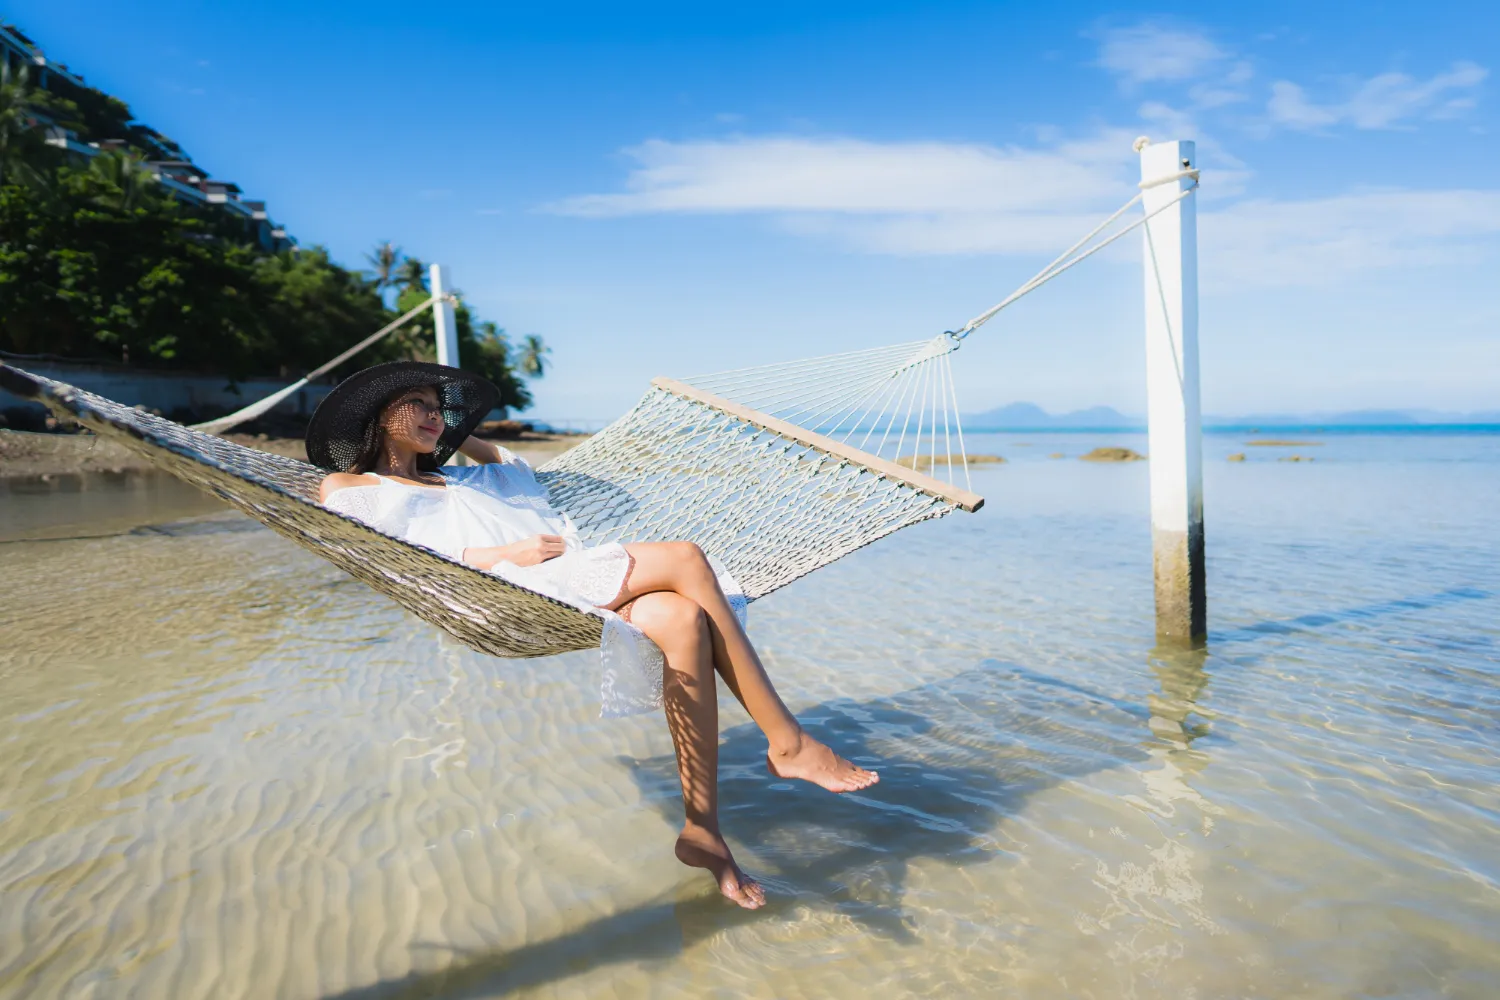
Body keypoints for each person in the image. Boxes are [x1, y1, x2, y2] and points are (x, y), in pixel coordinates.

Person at [306, 362, 878, 909]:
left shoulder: (471, 477)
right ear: (380, 415)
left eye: (441, 408)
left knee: (683, 619)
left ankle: (703, 832)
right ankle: (790, 742)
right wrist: (504, 552)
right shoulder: (351, 486)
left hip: (563, 578)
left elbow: (505, 459)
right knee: (684, 557)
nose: (437, 417)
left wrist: (453, 433)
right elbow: (397, 558)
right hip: (506, 585)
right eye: (419, 405)